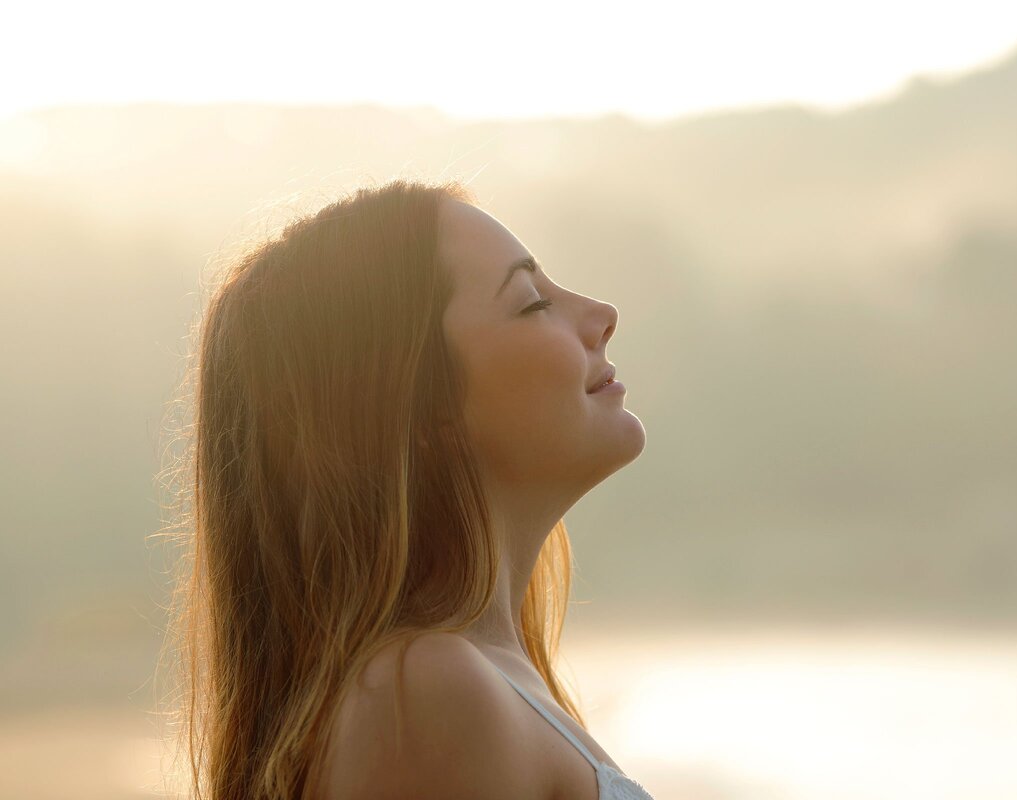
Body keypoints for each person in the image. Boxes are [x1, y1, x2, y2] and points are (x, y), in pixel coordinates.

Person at [160, 177, 653, 799]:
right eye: (532, 301)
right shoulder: (426, 695)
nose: (602, 316)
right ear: (419, 410)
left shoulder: (479, 683)